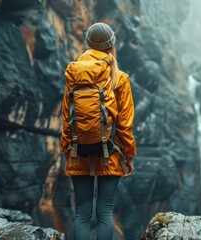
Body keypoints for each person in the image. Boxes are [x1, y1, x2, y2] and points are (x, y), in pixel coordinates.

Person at [60, 22, 136, 240]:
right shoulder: (119, 78)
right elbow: (124, 124)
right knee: (104, 212)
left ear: (88, 44)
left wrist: (67, 151)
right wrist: (128, 155)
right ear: (112, 45)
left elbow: (67, 118)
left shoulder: (73, 74)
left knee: (82, 213)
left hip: (78, 151)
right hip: (110, 151)